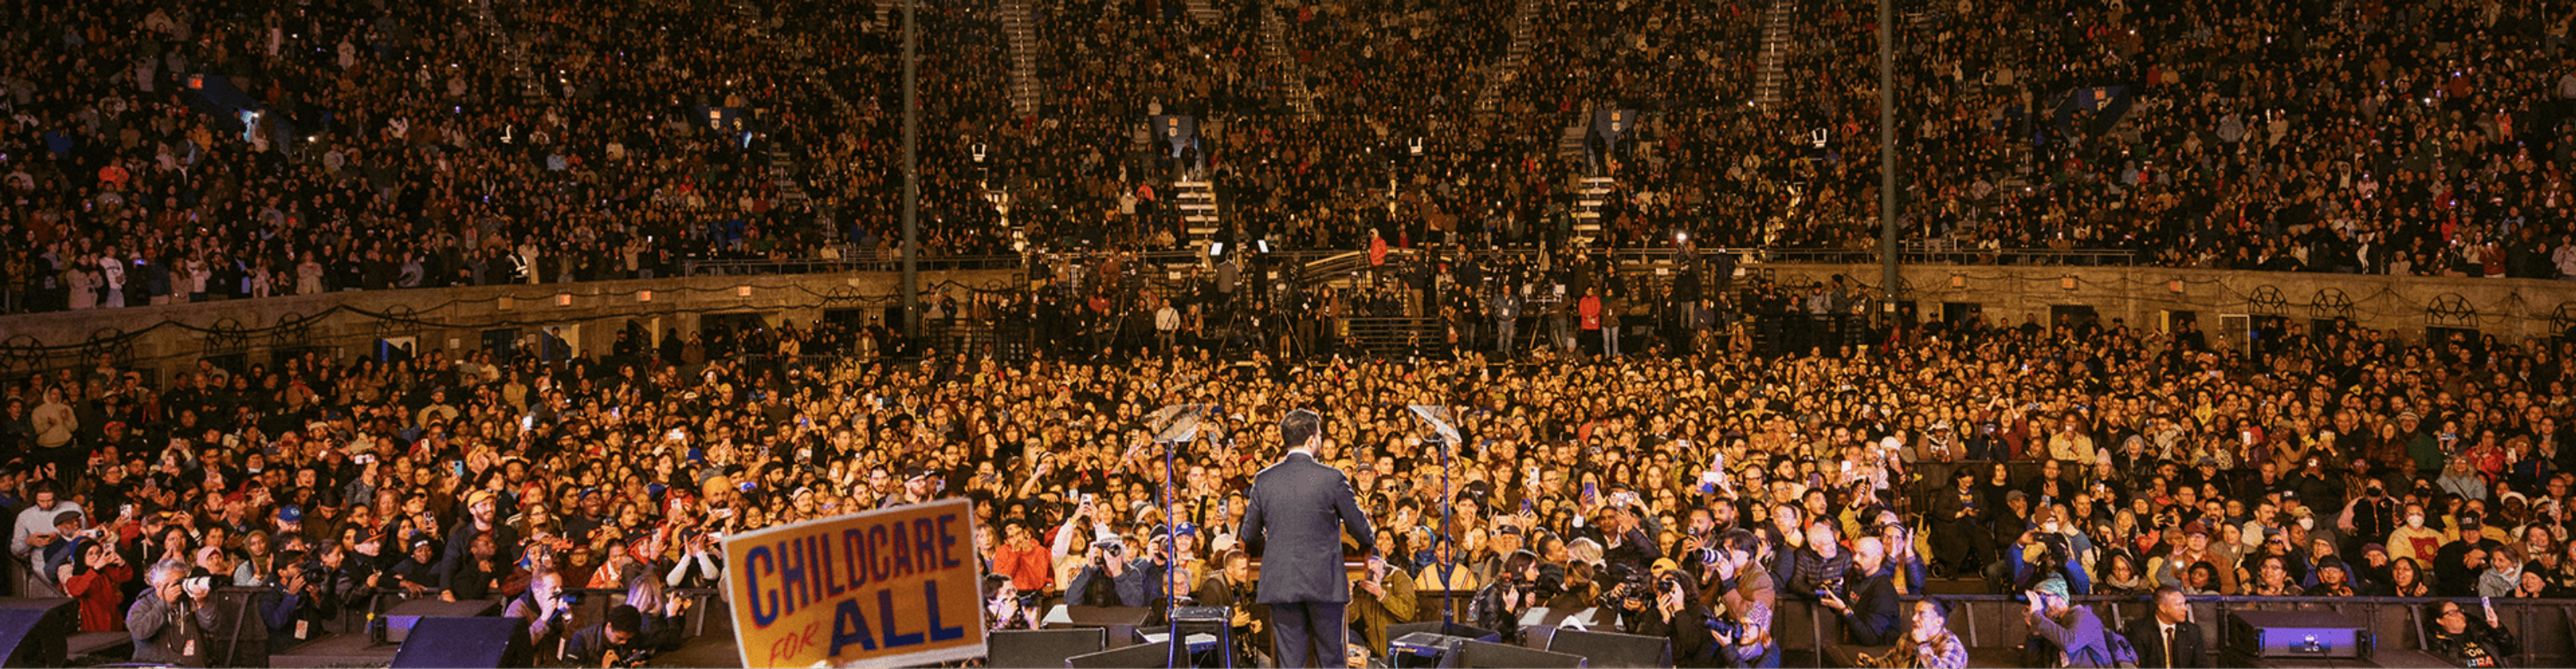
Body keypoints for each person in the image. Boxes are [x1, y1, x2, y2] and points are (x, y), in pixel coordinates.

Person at [1239, 408, 1377, 669]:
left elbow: (1248, 535)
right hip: (1324, 582)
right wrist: (1368, 537)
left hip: (1281, 582)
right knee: (1332, 660)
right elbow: (1362, 531)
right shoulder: (1332, 477)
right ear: (1312, 440)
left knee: (1290, 663)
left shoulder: (1264, 480)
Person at [128, 559, 218, 664]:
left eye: (183, 581)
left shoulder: (188, 600)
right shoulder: (143, 605)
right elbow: (139, 632)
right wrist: (164, 604)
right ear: (158, 585)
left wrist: (203, 604)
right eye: (177, 583)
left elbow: (212, 626)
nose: (181, 588)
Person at [1817, 537, 1899, 645]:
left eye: (1863, 555)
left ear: (1878, 560)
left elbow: (1870, 638)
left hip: (1876, 654)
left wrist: (1844, 610)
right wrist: (1832, 594)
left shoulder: (1884, 591)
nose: (1855, 558)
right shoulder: (1855, 574)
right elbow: (1843, 606)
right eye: (1854, 553)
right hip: (1852, 646)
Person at [2026, 581, 2112, 669]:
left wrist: (2037, 617)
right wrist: (2034, 634)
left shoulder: (2084, 616)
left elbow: (2070, 644)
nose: (2042, 603)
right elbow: (2035, 665)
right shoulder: (2052, 629)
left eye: (2044, 596)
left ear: (2062, 598)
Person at [2124, 587, 2208, 669]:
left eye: (2184, 604)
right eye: (2179, 605)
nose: (2185, 609)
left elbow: (2201, 665)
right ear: (2163, 608)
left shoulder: (2192, 630)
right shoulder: (2140, 631)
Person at [2426, 599, 2518, 668]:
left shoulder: (2479, 632)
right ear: (2440, 621)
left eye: (2459, 611)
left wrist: (2497, 628)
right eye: (2452, 613)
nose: (2459, 616)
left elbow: (2510, 649)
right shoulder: (2439, 642)